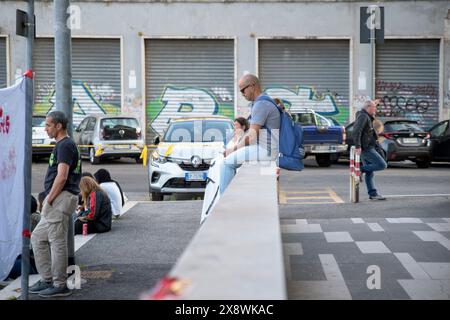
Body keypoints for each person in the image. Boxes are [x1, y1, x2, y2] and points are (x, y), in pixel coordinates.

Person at [29, 111, 81, 298]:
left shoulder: (65, 145)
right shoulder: (62, 145)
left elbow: (62, 175)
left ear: (59, 126)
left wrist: (49, 199)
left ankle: (60, 284)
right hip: (59, 198)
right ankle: (48, 279)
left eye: (48, 125)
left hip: (60, 198)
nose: (45, 129)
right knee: (37, 238)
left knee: (57, 242)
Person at [219, 74, 280, 194]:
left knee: (226, 164)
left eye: (243, 90)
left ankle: (224, 205)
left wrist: (233, 149)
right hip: (268, 148)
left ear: (252, 86)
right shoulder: (264, 101)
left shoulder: (261, 104)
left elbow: (252, 135)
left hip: (265, 150)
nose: (242, 93)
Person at [353, 99, 387, 200]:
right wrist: (358, 146)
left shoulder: (365, 115)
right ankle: (359, 169)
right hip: (366, 148)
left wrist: (374, 103)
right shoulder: (363, 116)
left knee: (370, 172)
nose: (375, 109)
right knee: (382, 165)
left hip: (368, 146)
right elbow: (356, 131)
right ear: (367, 107)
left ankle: (373, 194)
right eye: (374, 107)